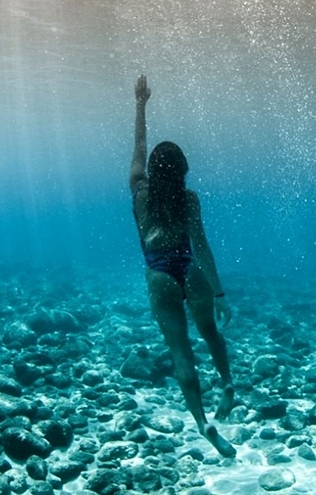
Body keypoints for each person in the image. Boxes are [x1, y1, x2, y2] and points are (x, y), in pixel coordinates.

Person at [129, 75, 236, 458]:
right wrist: (219, 293)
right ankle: (226, 385)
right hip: (190, 269)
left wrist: (141, 104)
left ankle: (204, 424)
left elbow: (140, 148)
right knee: (210, 333)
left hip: (159, 275)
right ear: (183, 171)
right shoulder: (188, 199)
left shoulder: (139, 191)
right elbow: (202, 247)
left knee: (181, 352)